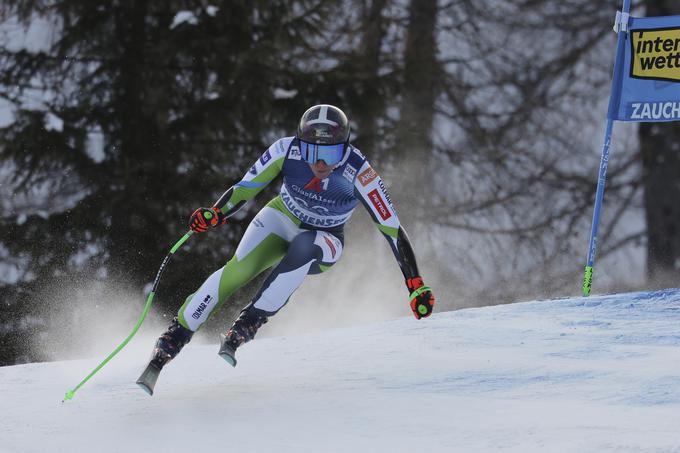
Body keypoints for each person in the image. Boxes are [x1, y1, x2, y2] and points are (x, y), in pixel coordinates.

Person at [139, 104, 435, 391]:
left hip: (325, 237)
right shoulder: (285, 150)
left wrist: (414, 282)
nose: (320, 164)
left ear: (344, 148)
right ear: (299, 145)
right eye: (311, 152)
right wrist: (216, 213)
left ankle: (250, 321)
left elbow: (392, 228)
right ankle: (175, 335)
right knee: (235, 272)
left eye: (330, 153)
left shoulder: (360, 172)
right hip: (281, 218)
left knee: (304, 246)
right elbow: (245, 188)